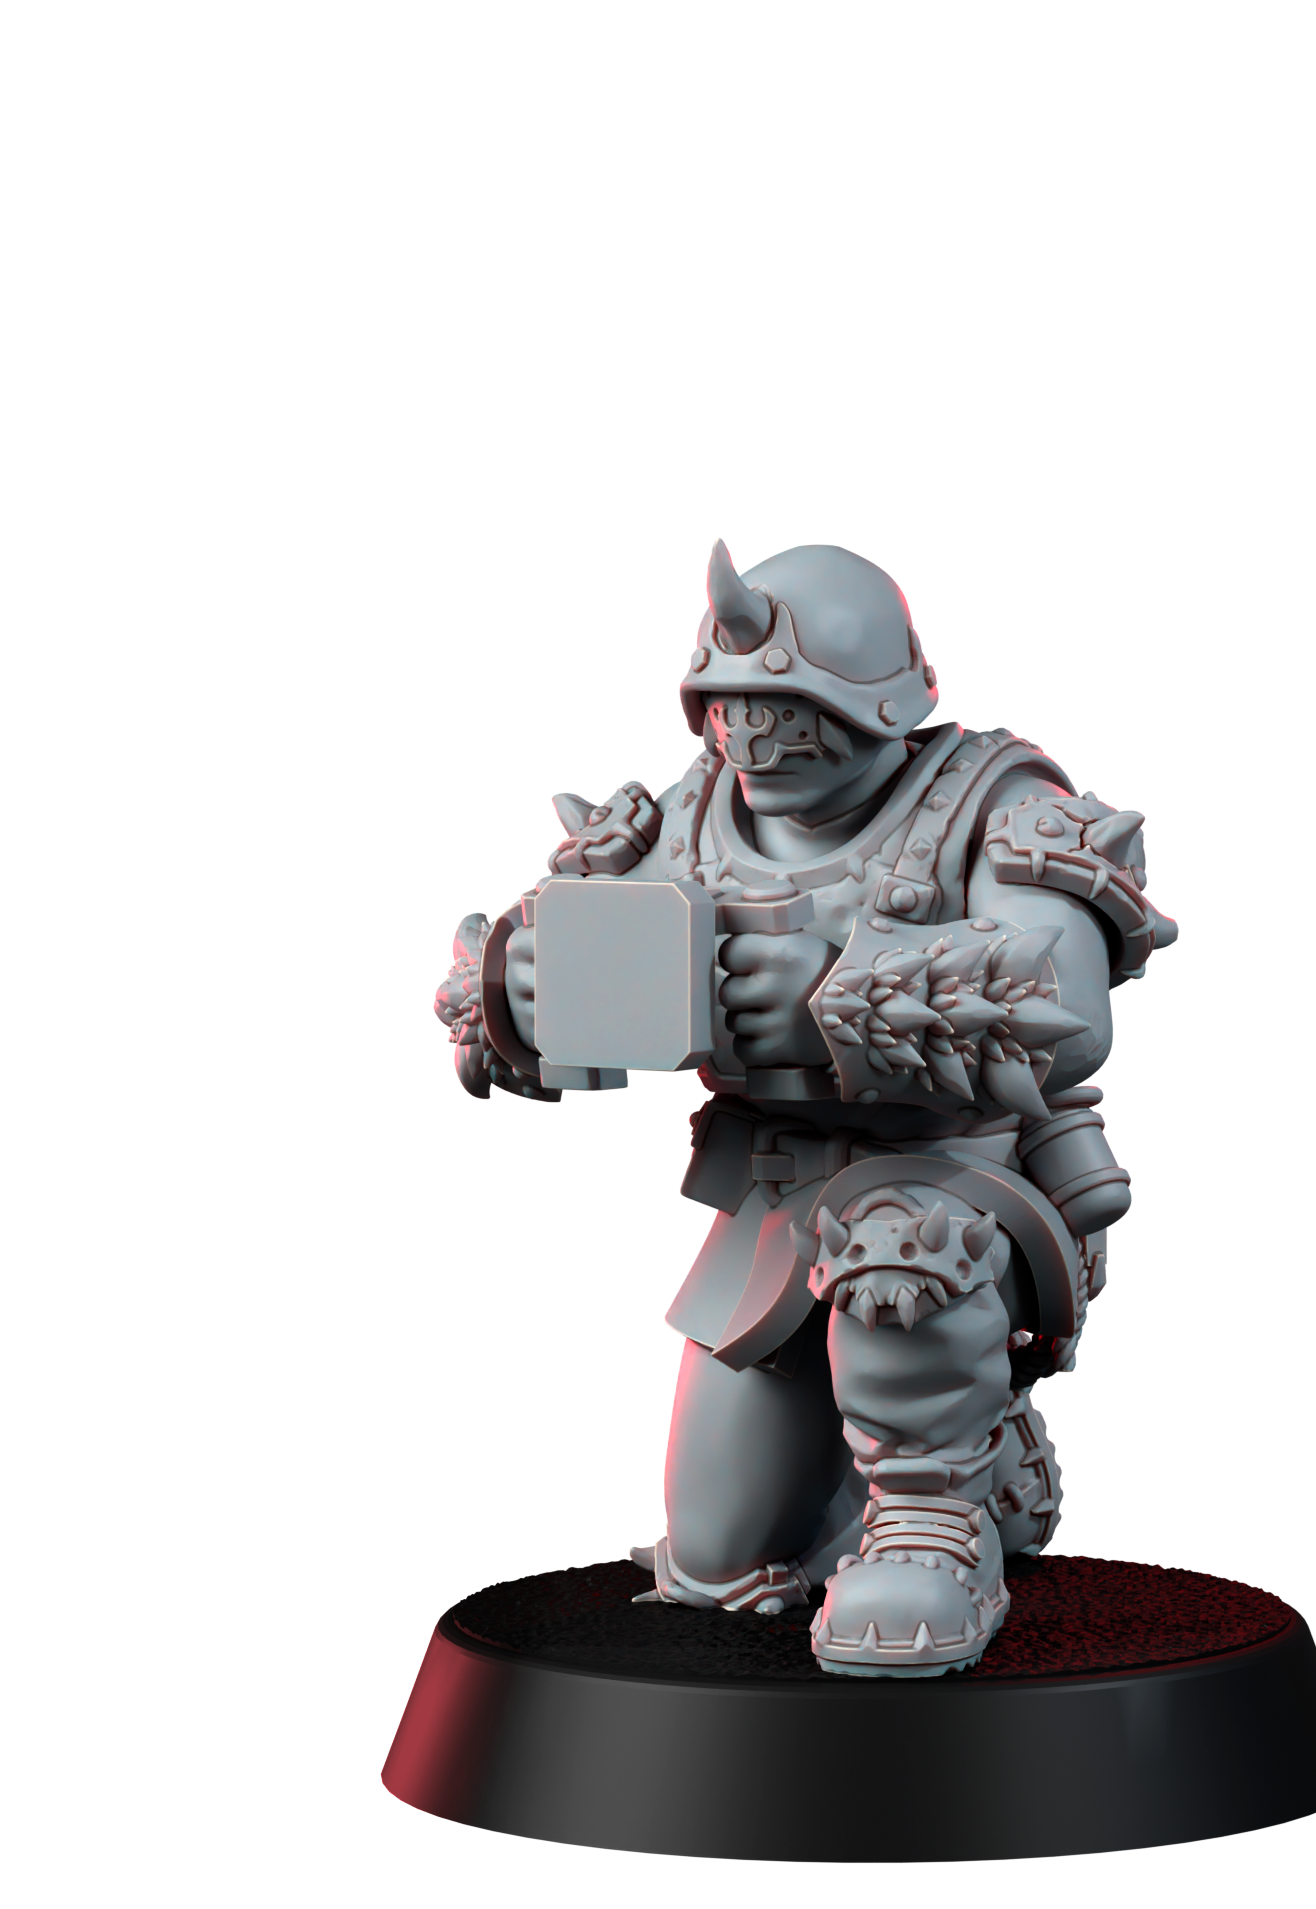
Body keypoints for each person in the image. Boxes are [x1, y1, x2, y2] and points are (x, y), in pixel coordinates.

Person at [434, 541, 1175, 1675]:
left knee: (898, 1257)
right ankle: (957, 1450)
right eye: (734, 713)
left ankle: (937, 1511)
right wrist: (516, 991)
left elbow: (1062, 1000)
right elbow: (527, 976)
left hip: (956, 1187)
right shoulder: (683, 815)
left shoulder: (998, 801)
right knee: (719, 1558)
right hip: (769, 1203)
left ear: (874, 700)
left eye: (787, 714)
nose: (758, 742)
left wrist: (836, 991)